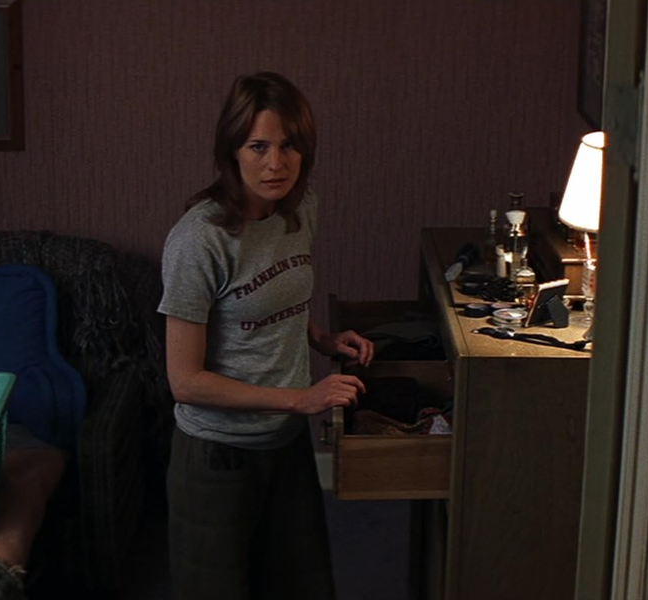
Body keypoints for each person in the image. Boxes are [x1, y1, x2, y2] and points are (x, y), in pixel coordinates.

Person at [158, 71, 375, 600]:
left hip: (284, 443)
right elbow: (185, 381)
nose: (276, 163)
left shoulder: (301, 209)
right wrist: (301, 399)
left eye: (289, 145)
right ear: (232, 150)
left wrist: (321, 339)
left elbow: (272, 301)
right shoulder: (200, 240)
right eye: (258, 146)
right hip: (217, 455)